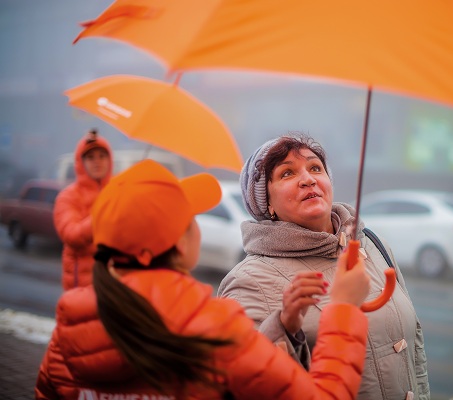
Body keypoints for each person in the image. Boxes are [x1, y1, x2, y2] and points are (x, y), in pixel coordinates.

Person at [35, 159, 371, 399]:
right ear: (180, 243)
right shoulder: (215, 329)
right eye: (190, 217)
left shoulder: (70, 330)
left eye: (315, 168)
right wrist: (343, 307)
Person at [218, 133, 431, 400]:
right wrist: (284, 329)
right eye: (287, 173)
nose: (308, 179)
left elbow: (415, 351)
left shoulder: (374, 244)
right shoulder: (248, 281)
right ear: (266, 202)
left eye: (315, 168)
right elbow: (250, 384)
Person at [53, 128, 113, 290]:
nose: (97, 161)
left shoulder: (117, 191)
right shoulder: (68, 196)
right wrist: (102, 217)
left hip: (115, 282)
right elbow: (71, 235)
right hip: (82, 284)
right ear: (80, 162)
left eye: (102, 156)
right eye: (90, 157)